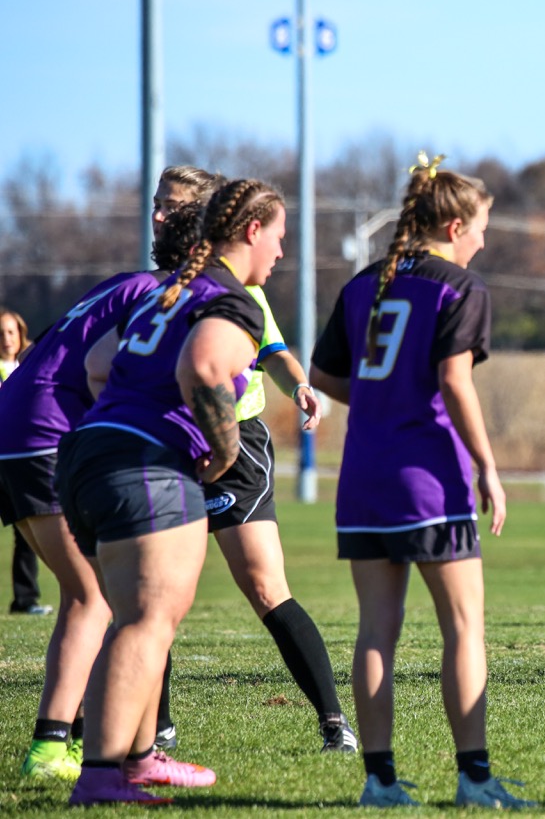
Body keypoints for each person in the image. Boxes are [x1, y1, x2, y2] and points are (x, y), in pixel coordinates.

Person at [310, 155, 532, 809]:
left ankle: (379, 782)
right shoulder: (459, 287)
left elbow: (323, 377)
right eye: (481, 227)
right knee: (463, 626)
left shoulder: (364, 283)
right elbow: (454, 381)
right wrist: (487, 465)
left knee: (376, 629)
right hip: (428, 478)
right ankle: (474, 778)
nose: (483, 242)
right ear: (455, 226)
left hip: (363, 477)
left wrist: (382, 401)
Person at [57, 177, 284, 805]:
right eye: (279, 237)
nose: (281, 253)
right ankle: (102, 777)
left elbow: (99, 366)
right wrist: (225, 449)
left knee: (135, 619)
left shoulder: (171, 289)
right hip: (145, 464)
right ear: (251, 231)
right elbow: (203, 368)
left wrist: (126, 422)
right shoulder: (230, 298)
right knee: (148, 621)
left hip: (90, 453)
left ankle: (132, 763)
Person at [150, 166, 356, 754]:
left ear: (206, 216)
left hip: (235, 447)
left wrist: (300, 387)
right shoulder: (153, 288)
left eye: (172, 205)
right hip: (167, 446)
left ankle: (334, 723)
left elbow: (274, 353)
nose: (159, 215)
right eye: (157, 203)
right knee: (152, 595)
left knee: (266, 586)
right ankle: (154, 730)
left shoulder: (238, 289)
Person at [1, 280, 164, 781]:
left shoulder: (121, 284)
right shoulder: (161, 294)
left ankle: (72, 740)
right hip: (46, 433)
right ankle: (55, 750)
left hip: (15, 427)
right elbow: (104, 367)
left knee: (86, 595)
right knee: (94, 598)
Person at [1, 307, 53, 617]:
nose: (6, 339)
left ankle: (25, 599)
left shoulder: (32, 363)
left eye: (11, 331)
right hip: (7, 455)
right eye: (1, 333)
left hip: (20, 455)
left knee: (27, 529)